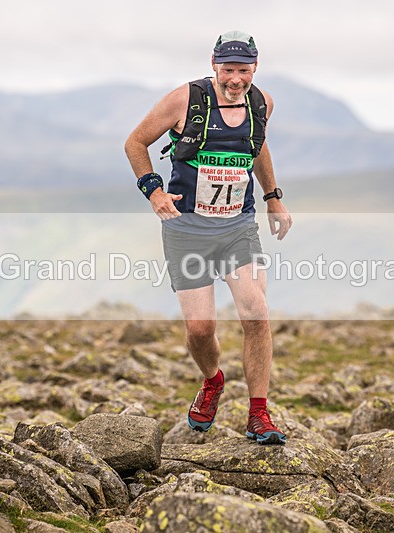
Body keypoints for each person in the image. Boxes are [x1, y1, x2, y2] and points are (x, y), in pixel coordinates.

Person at [124, 31, 293, 445]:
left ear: (255, 68)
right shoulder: (185, 100)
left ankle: (258, 414)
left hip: (237, 227)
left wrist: (273, 198)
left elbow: (257, 147)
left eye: (244, 71)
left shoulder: (262, 103)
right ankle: (213, 381)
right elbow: (135, 142)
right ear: (214, 65)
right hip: (187, 229)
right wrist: (154, 191)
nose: (236, 79)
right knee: (201, 329)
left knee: (256, 311)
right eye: (228, 70)